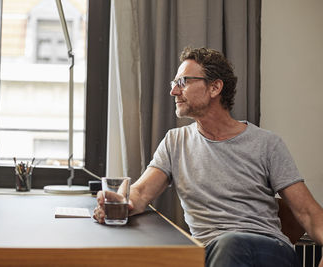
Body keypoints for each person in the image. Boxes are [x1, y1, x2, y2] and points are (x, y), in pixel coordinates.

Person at [93, 47, 323, 267]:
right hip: (210, 253)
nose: (174, 91)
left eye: (182, 82)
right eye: (174, 84)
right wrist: (118, 201)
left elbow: (309, 213)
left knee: (230, 244)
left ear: (214, 88)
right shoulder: (175, 142)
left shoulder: (267, 144)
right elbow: (141, 192)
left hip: (269, 250)